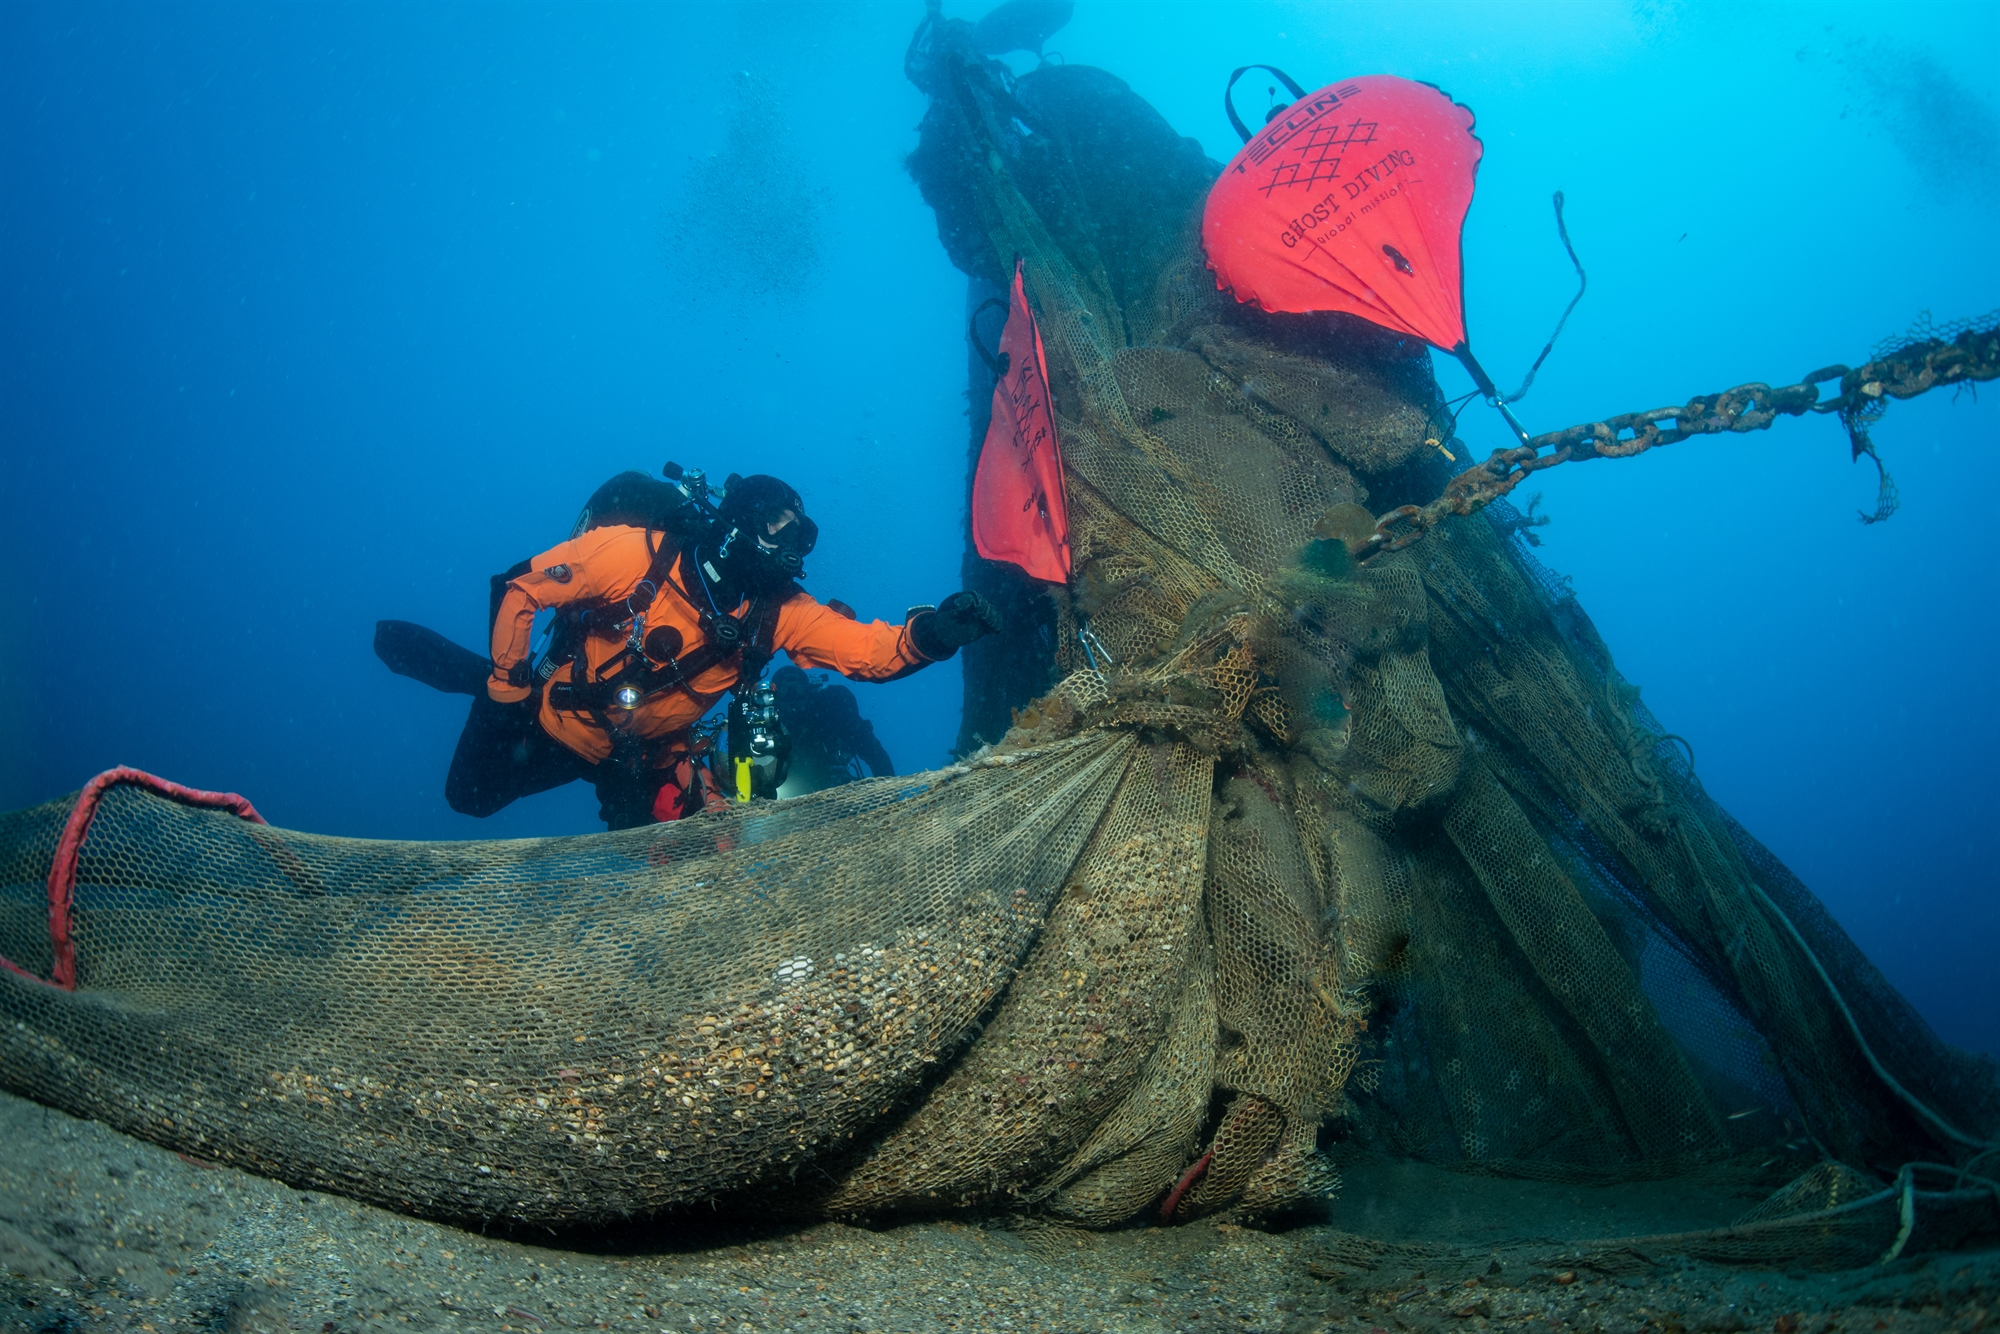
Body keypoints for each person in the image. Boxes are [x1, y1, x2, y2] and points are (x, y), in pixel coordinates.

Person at [434, 471, 999, 829]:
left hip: (646, 757)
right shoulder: (636, 554)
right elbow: (521, 588)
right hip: (556, 724)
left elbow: (868, 650)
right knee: (468, 799)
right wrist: (505, 691)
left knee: (687, 863)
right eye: (776, 524)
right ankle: (484, 678)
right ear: (738, 520)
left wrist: (934, 633)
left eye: (799, 534)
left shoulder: (780, 611)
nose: (790, 544)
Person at [769, 665, 896, 795]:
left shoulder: (832, 712)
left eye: (798, 688)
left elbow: (876, 755)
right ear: (774, 695)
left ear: (807, 688)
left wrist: (888, 796)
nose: (792, 695)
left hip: (835, 789)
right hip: (788, 787)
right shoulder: (770, 722)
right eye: (784, 690)